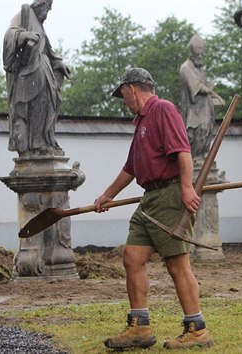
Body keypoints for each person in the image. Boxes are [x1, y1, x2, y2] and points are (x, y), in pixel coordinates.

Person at [94, 68, 213, 350]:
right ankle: (140, 327)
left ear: (132, 88)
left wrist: (186, 188)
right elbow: (131, 168)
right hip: (149, 199)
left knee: (176, 264)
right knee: (132, 256)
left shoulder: (163, 110)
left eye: (123, 94)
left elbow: (182, 151)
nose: (123, 100)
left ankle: (197, 329)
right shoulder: (141, 123)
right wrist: (107, 195)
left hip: (170, 195)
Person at [3, 0, 70, 156]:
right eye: (47, 8)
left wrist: (58, 62)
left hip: (44, 70)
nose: (47, 13)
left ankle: (44, 139)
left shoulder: (39, 24)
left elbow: (47, 48)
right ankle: (36, 142)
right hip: (30, 73)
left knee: (47, 104)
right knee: (34, 105)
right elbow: (9, 34)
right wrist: (25, 35)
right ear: (41, 5)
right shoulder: (25, 14)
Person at [180, 34, 224, 163]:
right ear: (191, 52)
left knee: (207, 130)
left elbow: (204, 86)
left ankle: (203, 157)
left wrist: (215, 96)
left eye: (201, 54)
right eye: (197, 55)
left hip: (206, 108)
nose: (200, 57)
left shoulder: (199, 68)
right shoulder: (185, 67)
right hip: (194, 110)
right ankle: (196, 159)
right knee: (199, 130)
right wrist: (209, 89)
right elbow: (198, 87)